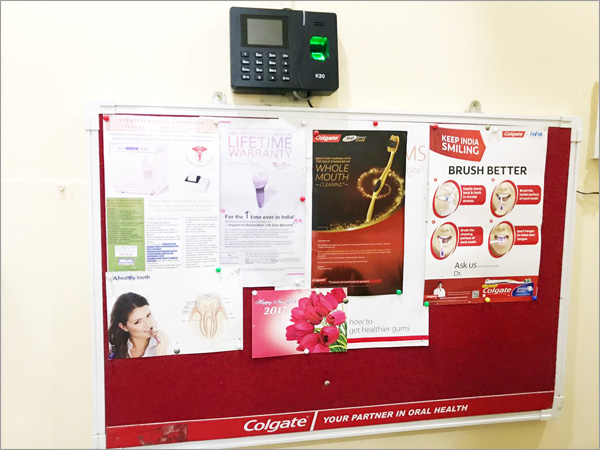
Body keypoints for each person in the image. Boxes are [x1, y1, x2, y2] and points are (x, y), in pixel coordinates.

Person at [108, 292, 169, 359]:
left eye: (148, 315)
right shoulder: (114, 352)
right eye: (138, 322)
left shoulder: (164, 345)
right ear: (123, 327)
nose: (148, 324)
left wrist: (161, 354)